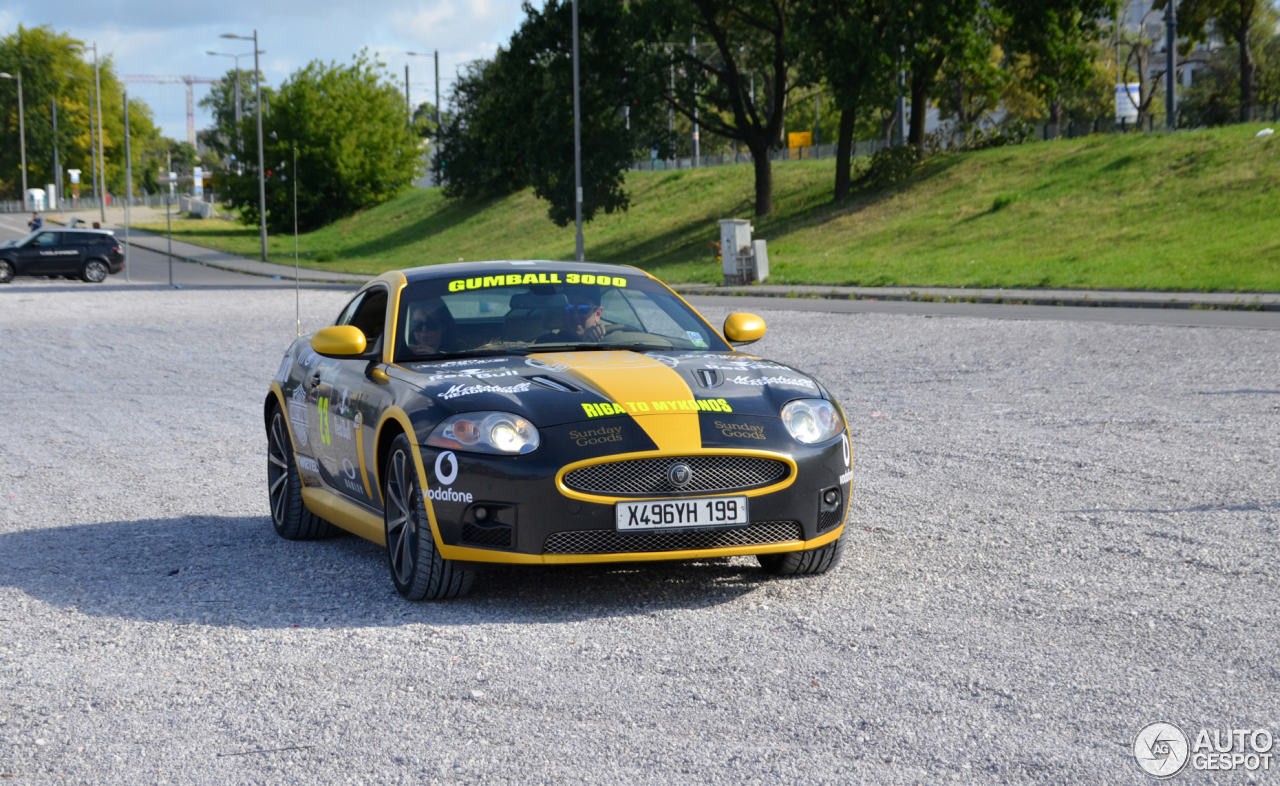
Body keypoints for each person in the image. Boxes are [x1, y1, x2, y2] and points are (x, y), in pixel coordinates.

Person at [537, 287, 609, 344]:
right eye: (568, 308)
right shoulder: (547, 342)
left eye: (583, 308)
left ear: (597, 314)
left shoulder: (610, 343)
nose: (575, 315)